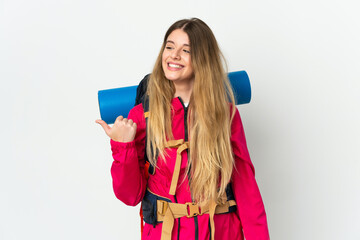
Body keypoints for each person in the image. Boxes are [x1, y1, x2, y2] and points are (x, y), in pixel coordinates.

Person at [96, 18, 269, 240]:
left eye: (186, 50)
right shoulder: (141, 116)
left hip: (222, 232)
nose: (174, 55)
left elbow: (246, 187)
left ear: (203, 59)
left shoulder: (225, 114)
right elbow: (130, 196)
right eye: (169, 47)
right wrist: (123, 147)